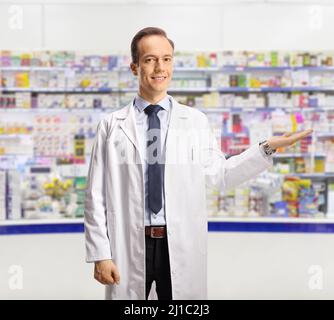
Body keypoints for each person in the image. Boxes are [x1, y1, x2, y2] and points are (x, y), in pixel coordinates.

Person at [84, 27, 312, 300]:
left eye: (167, 59)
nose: (160, 67)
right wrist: (100, 254)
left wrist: (267, 148)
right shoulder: (112, 125)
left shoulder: (194, 122)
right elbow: (95, 196)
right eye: (150, 59)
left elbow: (220, 175)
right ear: (135, 67)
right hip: (129, 242)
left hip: (179, 242)